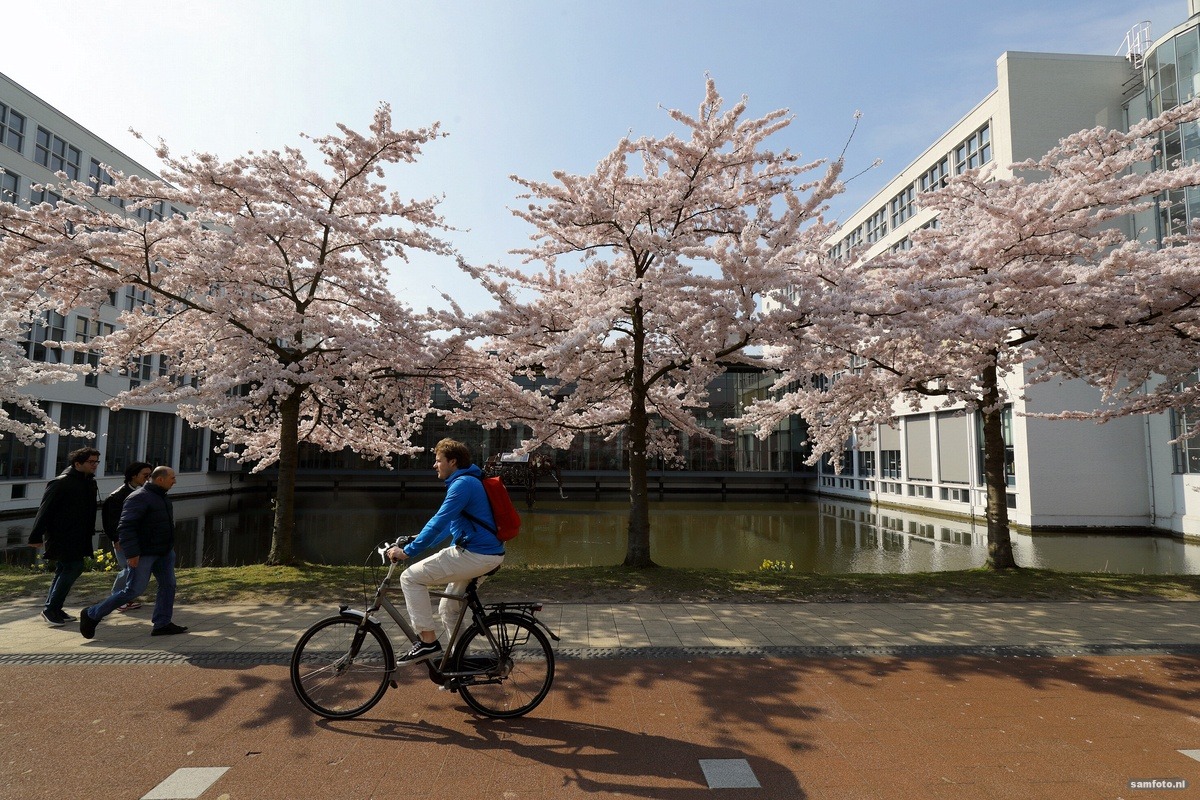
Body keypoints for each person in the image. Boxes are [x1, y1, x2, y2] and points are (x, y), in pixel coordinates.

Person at [386, 438, 504, 664]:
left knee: (409, 578)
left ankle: (428, 642)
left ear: (453, 462)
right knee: (449, 608)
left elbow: (438, 521)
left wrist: (408, 552)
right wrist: (417, 539)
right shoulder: (469, 481)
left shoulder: (462, 484)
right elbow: (448, 526)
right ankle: (460, 664)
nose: (435, 465)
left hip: (475, 554)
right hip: (488, 554)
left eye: (438, 460)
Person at [80, 466, 188, 639]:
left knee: (168, 585)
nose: (175, 481)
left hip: (164, 552)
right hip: (144, 553)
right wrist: (131, 554)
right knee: (133, 590)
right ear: (160, 479)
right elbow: (126, 527)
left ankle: (162, 624)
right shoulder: (139, 497)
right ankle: (92, 614)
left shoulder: (162, 497)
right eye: (172, 478)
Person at [28, 447, 102, 626]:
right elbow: (45, 510)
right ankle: (50, 609)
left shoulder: (88, 482)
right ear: (77, 463)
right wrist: (35, 536)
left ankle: (55, 608)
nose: (95, 465)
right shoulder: (61, 482)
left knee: (64, 568)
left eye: (96, 462)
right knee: (74, 567)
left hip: (80, 534)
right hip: (62, 535)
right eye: (91, 462)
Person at [101, 461, 152, 612]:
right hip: (123, 539)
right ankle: (117, 597)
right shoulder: (117, 496)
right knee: (128, 567)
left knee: (133, 568)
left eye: (150, 475)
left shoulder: (142, 492)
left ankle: (125, 597)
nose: (148, 478)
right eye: (145, 475)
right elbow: (110, 520)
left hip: (137, 537)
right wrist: (115, 538)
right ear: (134, 476)